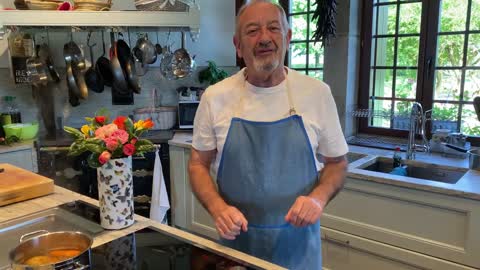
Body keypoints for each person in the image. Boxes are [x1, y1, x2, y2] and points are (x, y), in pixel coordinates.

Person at [188, 0, 348, 269]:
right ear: (238, 46)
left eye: (273, 28)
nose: (264, 38)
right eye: (252, 31)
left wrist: (317, 199)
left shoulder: (316, 93)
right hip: (236, 247)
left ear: (287, 38)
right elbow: (197, 164)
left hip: (299, 251)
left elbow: (338, 163)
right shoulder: (215, 97)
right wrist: (217, 208)